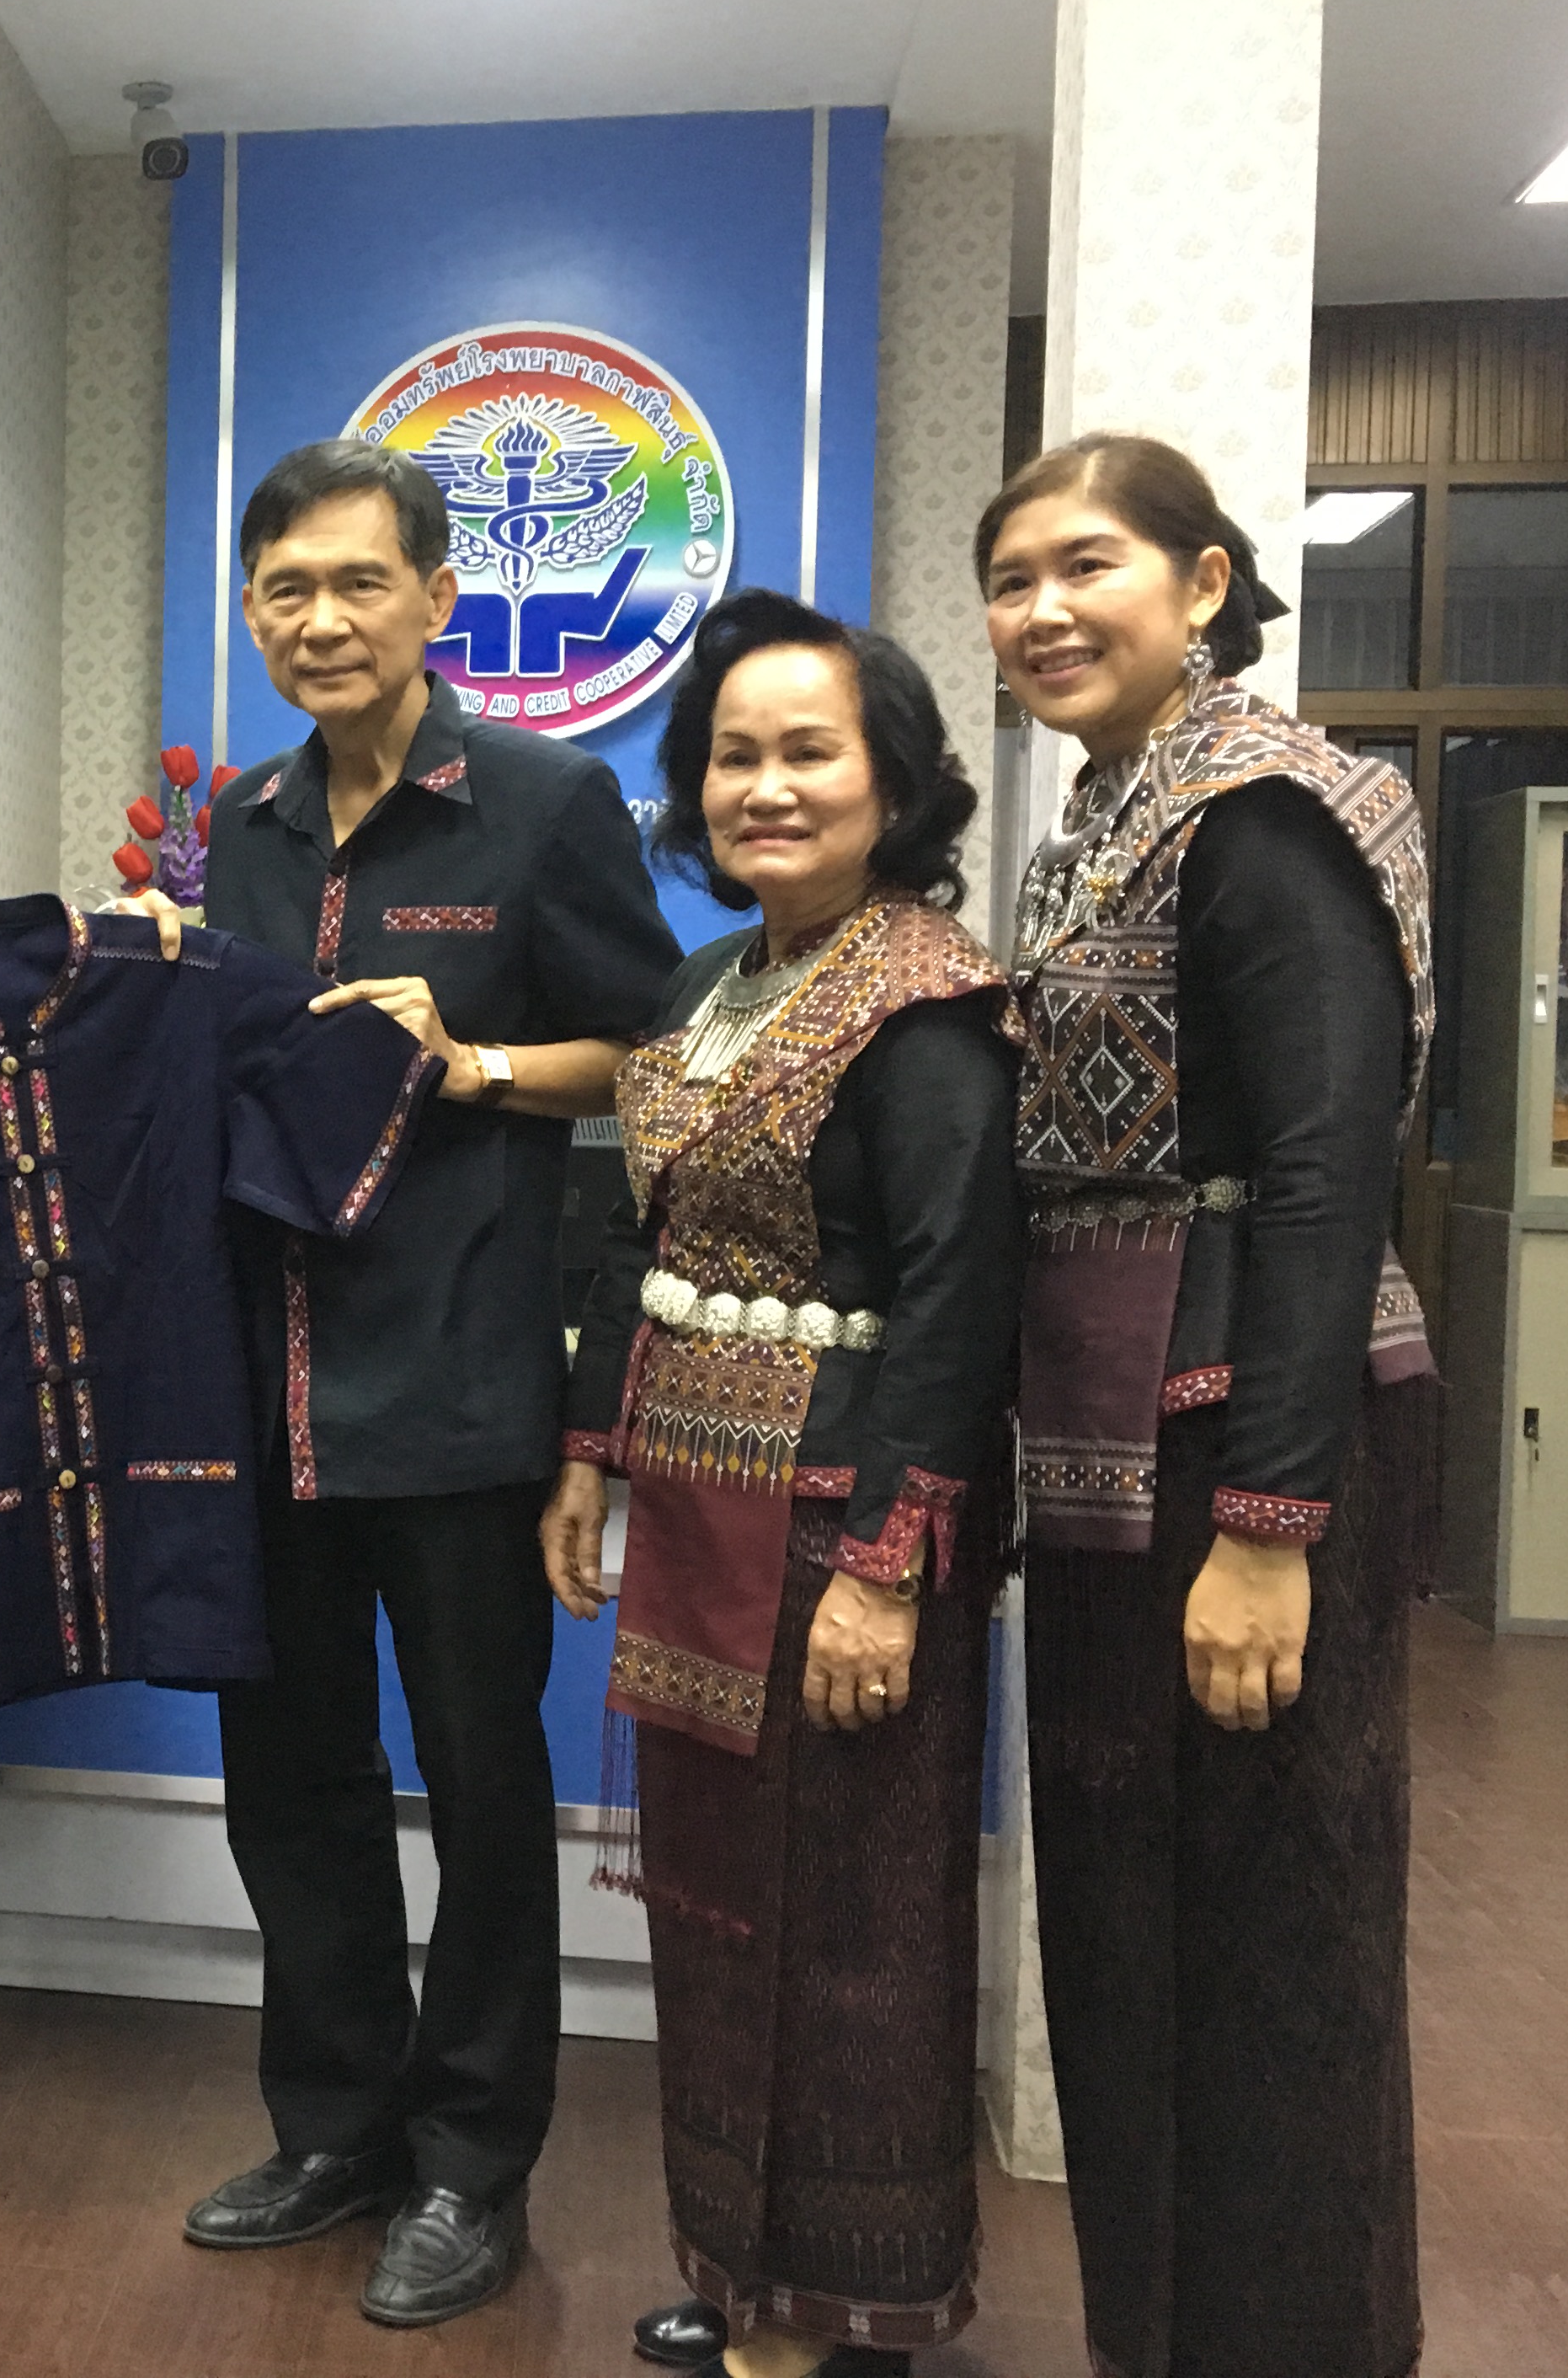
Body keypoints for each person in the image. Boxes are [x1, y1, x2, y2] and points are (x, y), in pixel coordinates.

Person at [157, 441, 677, 2327]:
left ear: (439, 598)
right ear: (251, 612)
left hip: (460, 1377)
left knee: (477, 1785)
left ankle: (472, 2163)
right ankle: (337, 2127)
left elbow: (653, 1059)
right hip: (264, 1382)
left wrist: (473, 1066)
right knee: (289, 1779)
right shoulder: (240, 826)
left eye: (358, 583)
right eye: (285, 589)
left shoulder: (545, 803)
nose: (321, 620)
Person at [981, 433, 1435, 2378]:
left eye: (1088, 565)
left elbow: (1328, 1171)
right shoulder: (1099, 817)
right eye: (1012, 580)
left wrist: (1270, 1526)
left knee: (1271, 1941)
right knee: (1124, 1931)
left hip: (1245, 1433)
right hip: (1110, 1436)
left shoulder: (1265, 809)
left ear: (1208, 582)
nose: (1044, 610)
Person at [544, 592, 1021, 2378]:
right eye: (733, 756)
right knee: (718, 1908)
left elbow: (964, 1304)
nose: (767, 787)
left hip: (843, 1527)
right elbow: (635, 1237)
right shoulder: (707, 986)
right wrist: (588, 1455)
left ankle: (849, 2300)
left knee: (849, 1924)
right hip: (691, 1508)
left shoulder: (931, 1007)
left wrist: (890, 1566)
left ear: (893, 780)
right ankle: (739, 2264)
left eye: (809, 752)